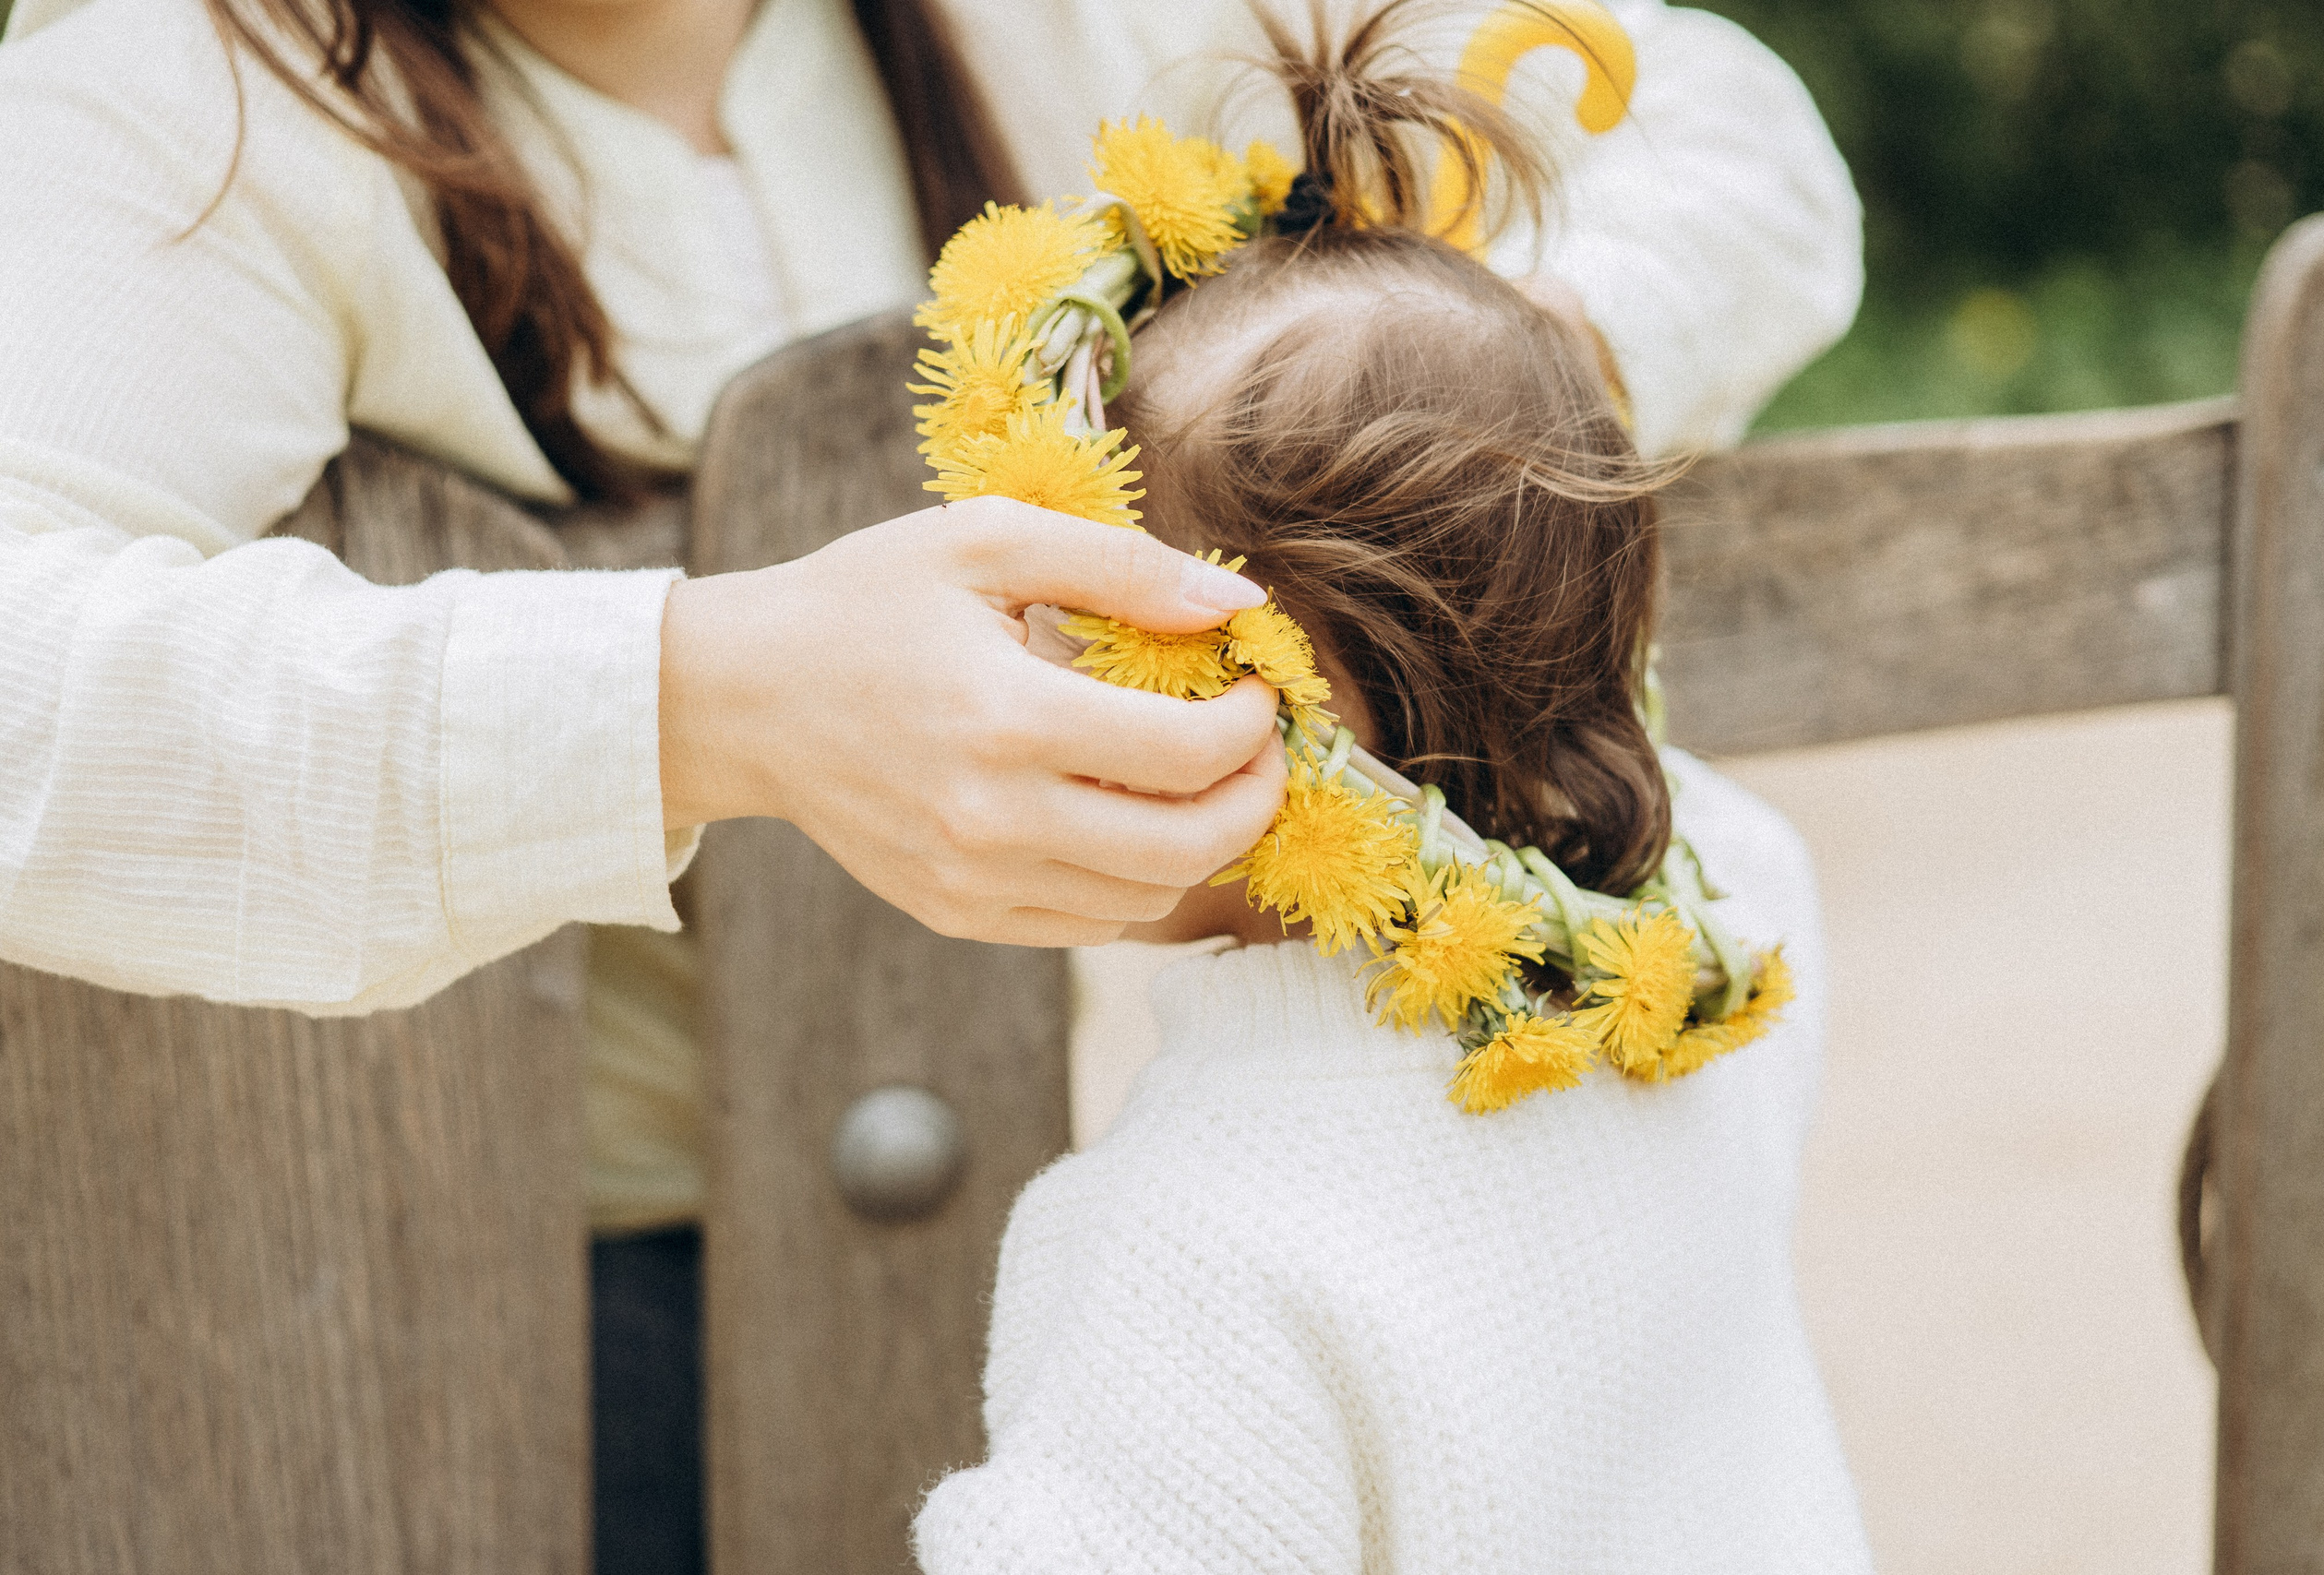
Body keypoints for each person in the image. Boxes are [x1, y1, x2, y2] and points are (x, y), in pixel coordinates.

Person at [0, 0, 1857, 1567]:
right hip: (464, 1334)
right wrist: (700, 699)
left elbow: (1729, 150)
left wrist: (1459, 411)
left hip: (1008, 1179)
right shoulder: (191, 105)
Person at [913, 17, 1867, 1569]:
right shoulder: (1725, 953)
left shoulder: (1189, 1253)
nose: (1014, 668)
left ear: (1265, 729)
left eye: (1076, 622)